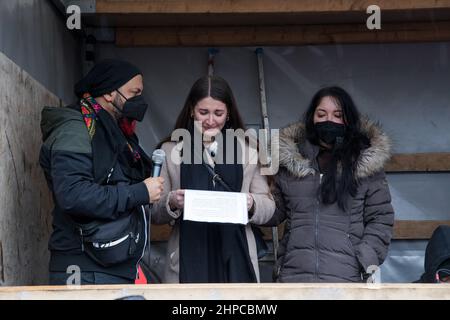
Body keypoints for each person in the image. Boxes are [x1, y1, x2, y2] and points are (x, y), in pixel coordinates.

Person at [39, 59, 164, 285]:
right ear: (109, 93)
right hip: (83, 271)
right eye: (134, 93)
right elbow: (74, 195)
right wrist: (140, 193)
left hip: (112, 268)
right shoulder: (75, 129)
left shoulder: (117, 133)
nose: (139, 101)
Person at [152, 75, 275, 283]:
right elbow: (153, 213)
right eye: (203, 112)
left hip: (237, 254)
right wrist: (171, 201)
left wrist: (252, 203)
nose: (210, 121)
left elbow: (269, 207)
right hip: (187, 255)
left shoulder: (249, 150)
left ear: (228, 113)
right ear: (191, 110)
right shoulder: (170, 150)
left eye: (218, 113)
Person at [265, 86, 394, 282]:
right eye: (321, 114)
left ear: (348, 119)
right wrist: (250, 202)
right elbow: (275, 212)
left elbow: (380, 218)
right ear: (312, 117)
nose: (329, 120)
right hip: (293, 277)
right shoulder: (293, 161)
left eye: (337, 115)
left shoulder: (365, 164)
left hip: (346, 279)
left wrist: (363, 259)